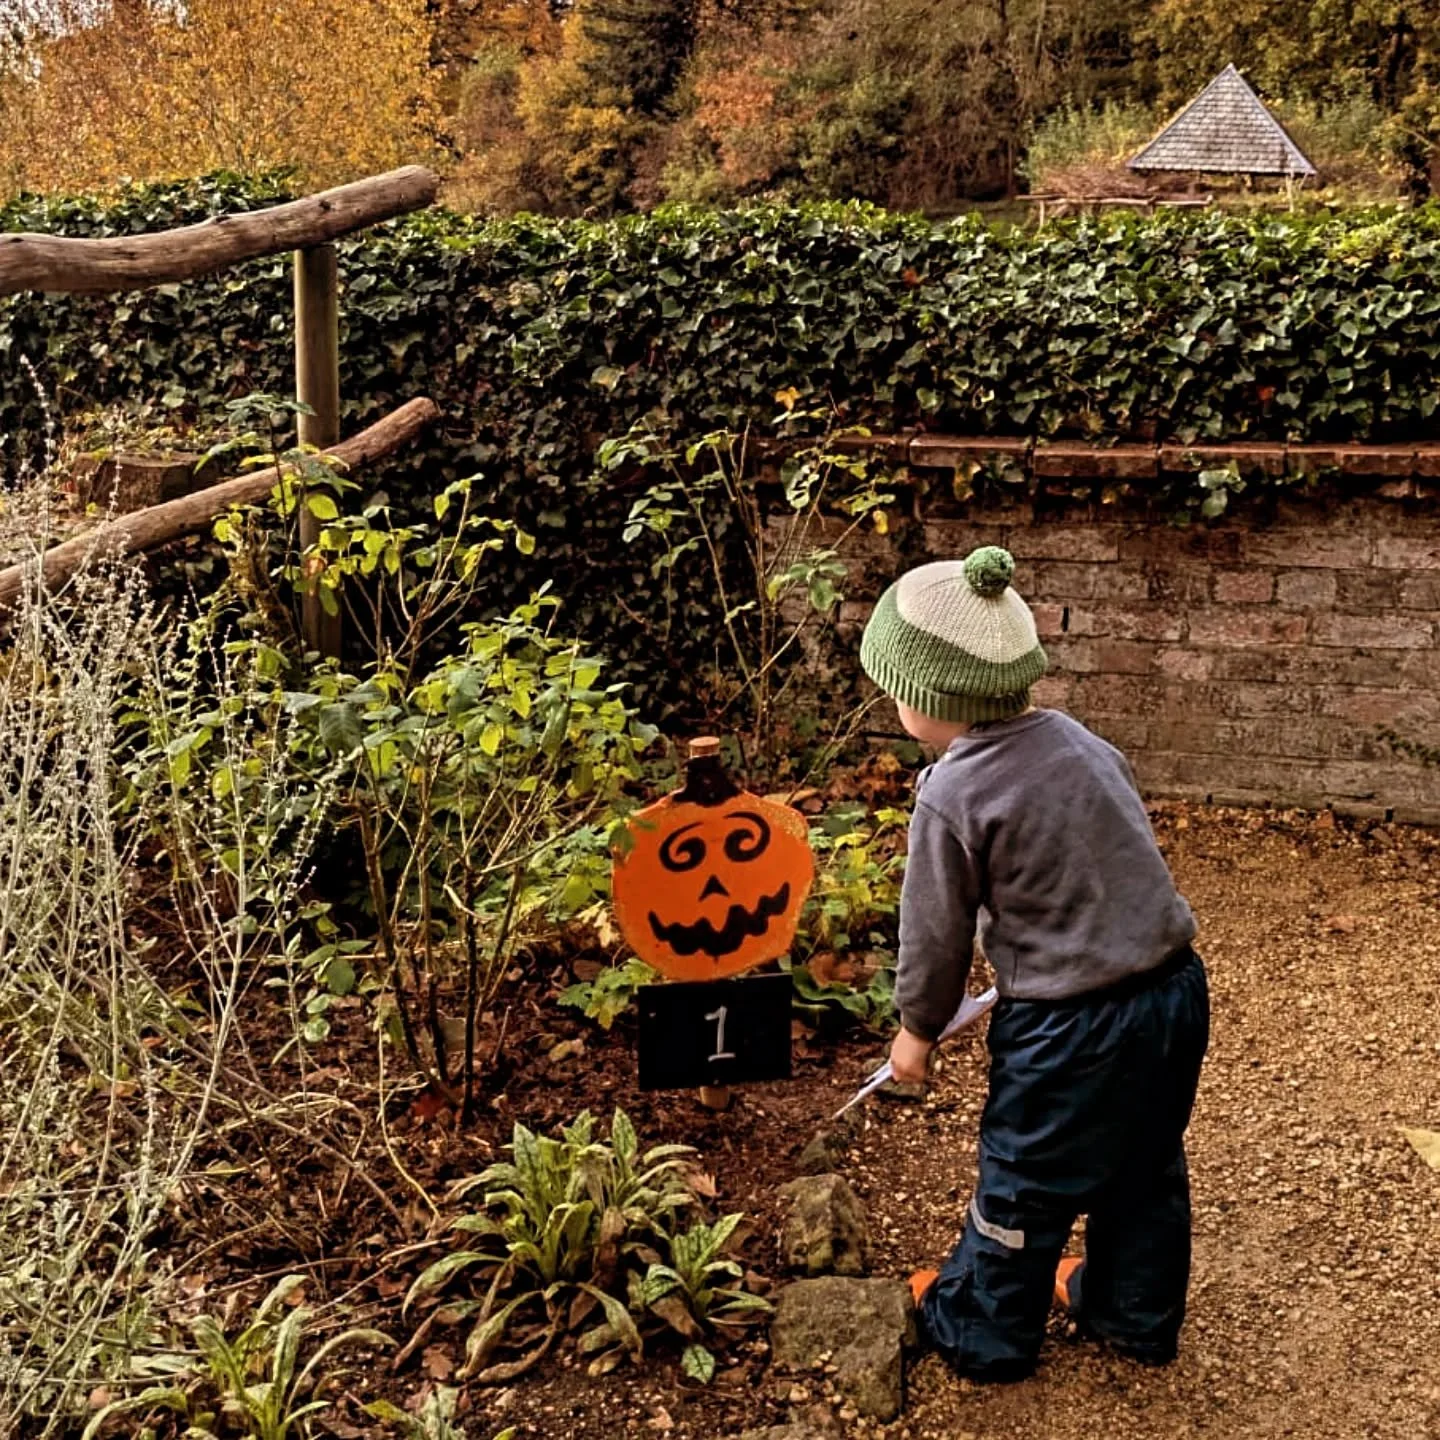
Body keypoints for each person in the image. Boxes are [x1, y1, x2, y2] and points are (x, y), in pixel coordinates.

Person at [858, 544, 1209, 1382]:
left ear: (927, 698)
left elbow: (934, 937)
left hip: (1070, 1028)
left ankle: (985, 1328)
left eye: (894, 689)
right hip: (1172, 992)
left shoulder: (953, 792)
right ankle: (1133, 1314)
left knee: (1023, 1176)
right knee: (1144, 1161)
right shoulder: (1083, 744)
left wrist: (917, 1033)